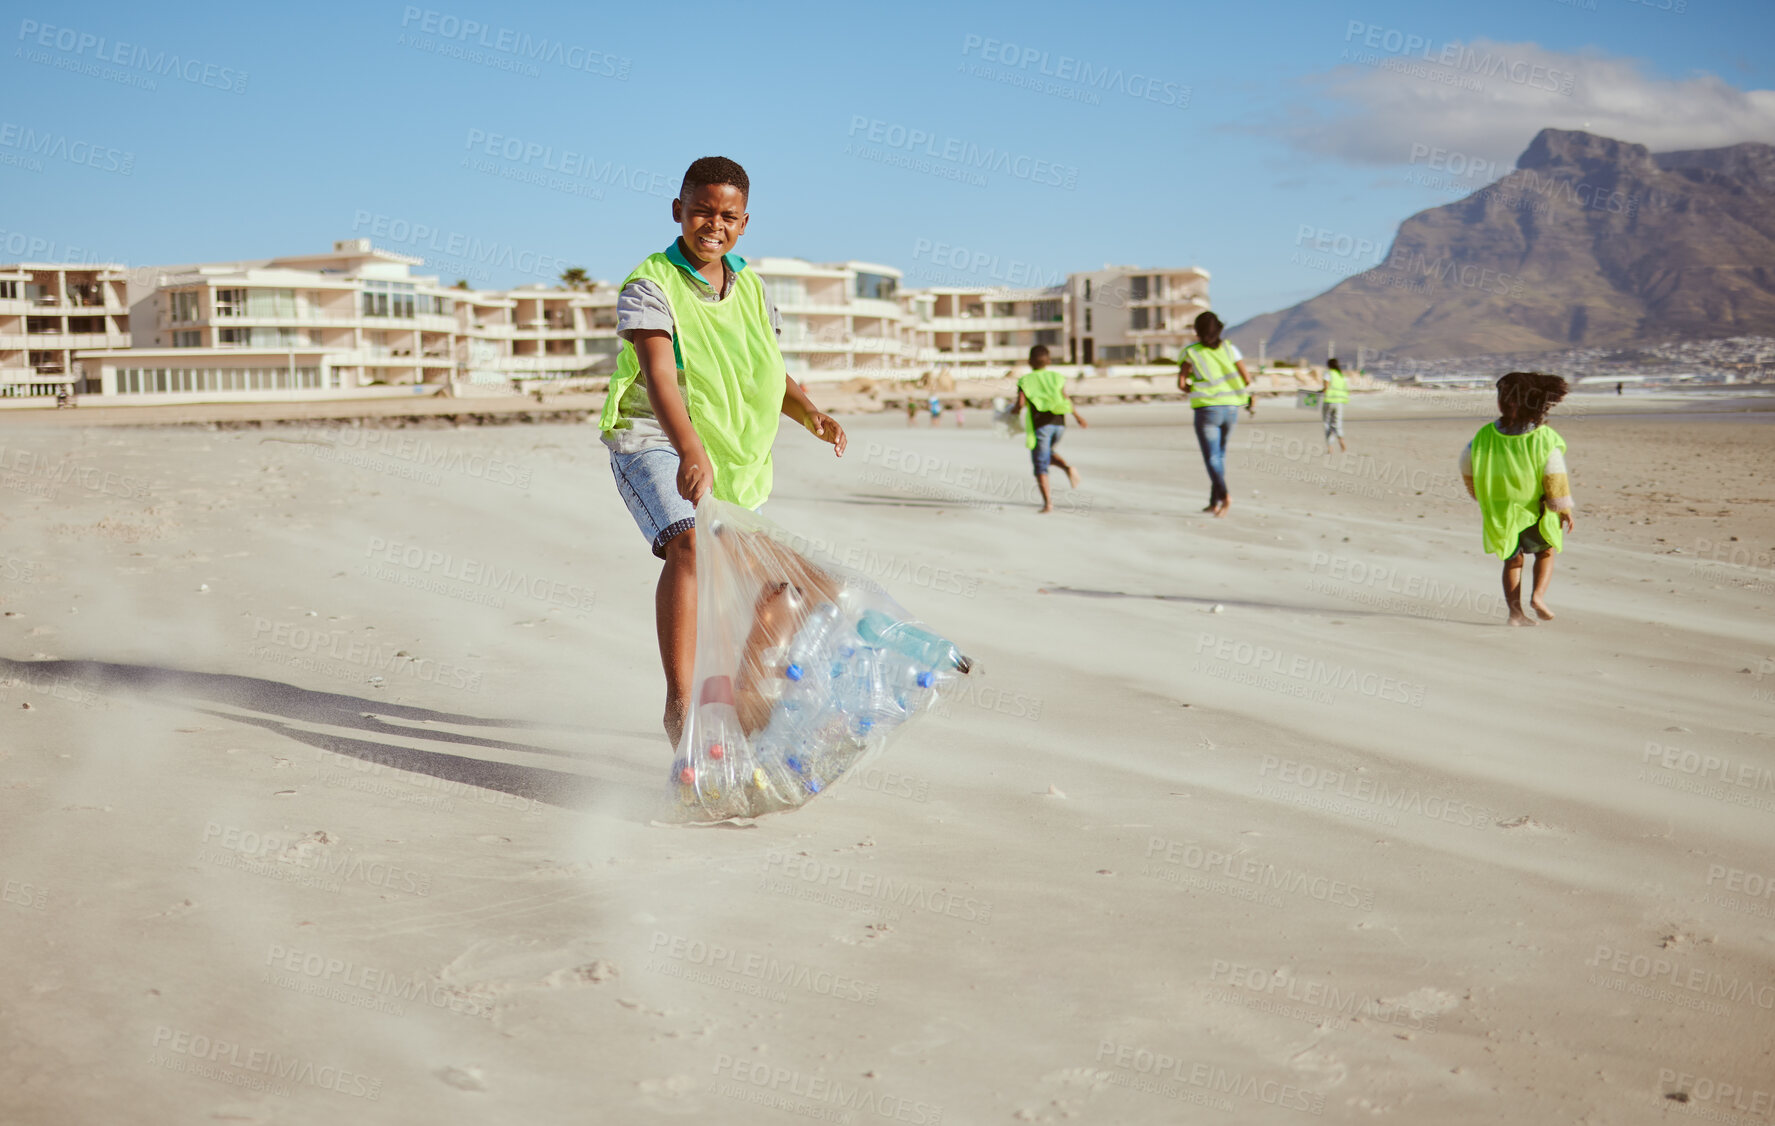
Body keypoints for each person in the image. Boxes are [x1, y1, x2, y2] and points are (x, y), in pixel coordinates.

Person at [599, 155, 847, 747]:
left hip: (727, 450)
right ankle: (680, 707)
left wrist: (809, 410)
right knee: (687, 541)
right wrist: (689, 449)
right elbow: (659, 376)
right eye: (702, 211)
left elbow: (765, 367)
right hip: (654, 438)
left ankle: (750, 704)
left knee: (786, 585)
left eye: (727, 216)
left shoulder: (752, 285)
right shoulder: (649, 283)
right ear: (678, 211)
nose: (714, 224)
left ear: (744, 222)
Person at [1459, 372, 1574, 627]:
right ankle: (1537, 598)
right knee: (1545, 551)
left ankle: (1515, 614)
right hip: (1534, 506)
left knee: (1512, 559)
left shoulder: (1485, 435)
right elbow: (1554, 474)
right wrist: (1562, 507)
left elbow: (1465, 463)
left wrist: (1476, 492)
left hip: (1499, 506)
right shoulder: (1543, 437)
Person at [1177, 311, 1252, 517]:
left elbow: (1182, 384)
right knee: (1219, 456)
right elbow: (1247, 378)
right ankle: (1214, 502)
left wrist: (1196, 389)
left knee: (1212, 458)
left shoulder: (1190, 352)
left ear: (1197, 331)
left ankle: (1225, 496)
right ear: (1219, 328)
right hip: (1231, 409)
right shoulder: (1230, 349)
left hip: (1207, 409)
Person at [1013, 344, 1087, 513]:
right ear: (1048, 361)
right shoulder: (1057, 377)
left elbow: (1020, 404)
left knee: (1040, 464)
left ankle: (1048, 504)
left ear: (1030, 361)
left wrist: (1011, 412)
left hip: (1041, 425)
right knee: (1046, 454)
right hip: (1060, 424)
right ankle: (1068, 469)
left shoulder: (1025, 380)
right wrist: (1078, 417)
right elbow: (1065, 399)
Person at [1320, 358, 1350, 453]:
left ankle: (1330, 448)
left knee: (1327, 424)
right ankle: (1342, 443)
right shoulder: (1341, 375)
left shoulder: (1328, 373)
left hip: (1329, 400)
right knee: (1337, 423)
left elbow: (1326, 387)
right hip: (1340, 402)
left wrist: (1319, 392)